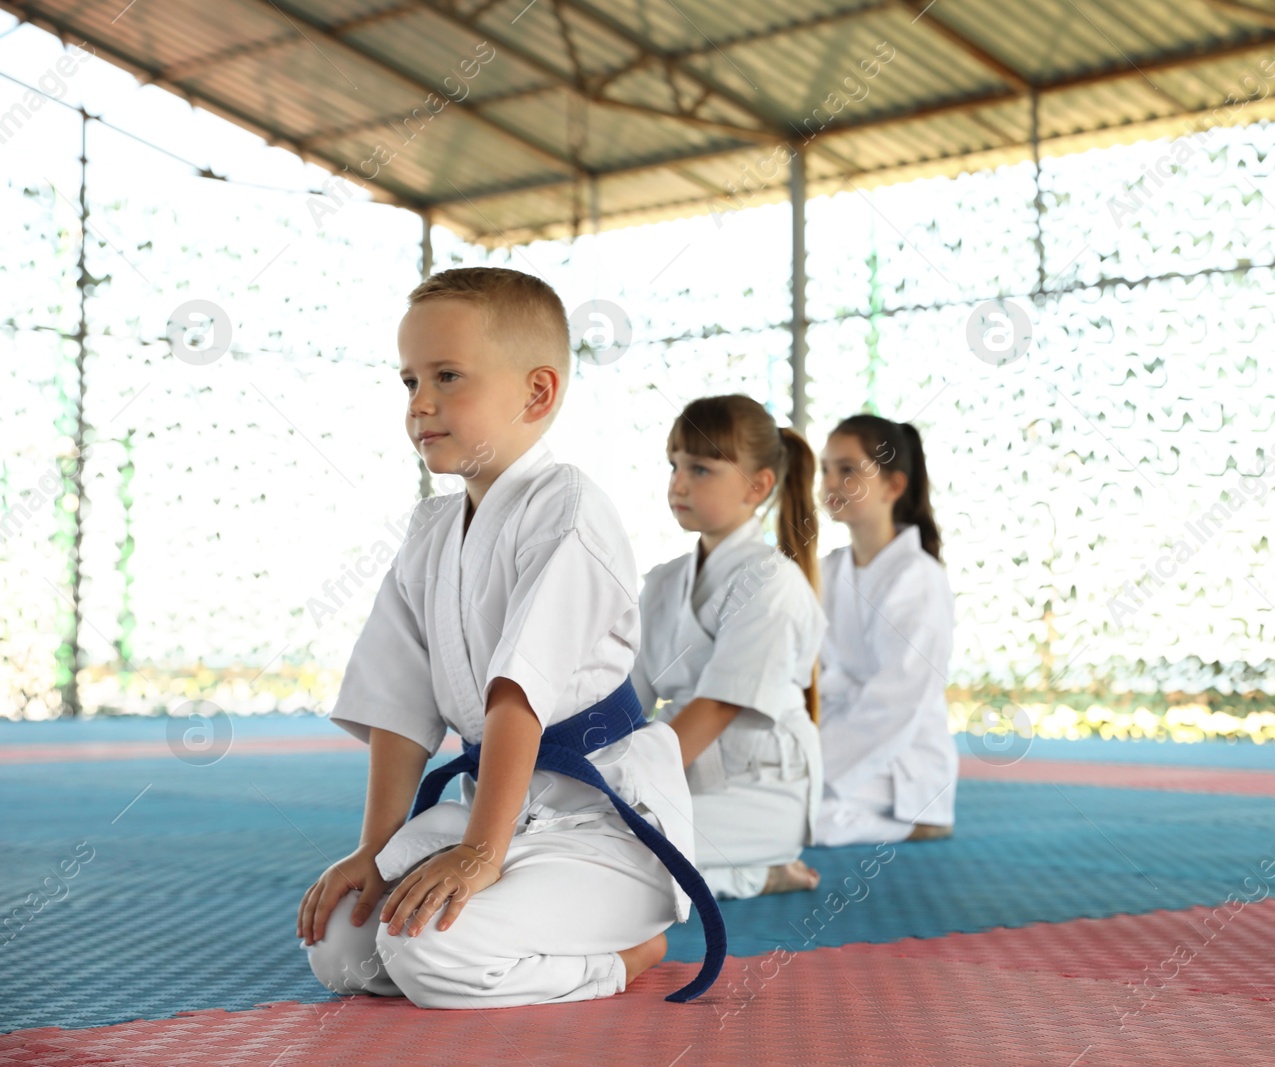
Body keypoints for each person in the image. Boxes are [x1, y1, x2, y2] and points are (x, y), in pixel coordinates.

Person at [297, 267, 721, 1008]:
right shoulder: (430, 532)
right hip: (496, 808)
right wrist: (376, 847)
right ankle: (502, 906)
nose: (420, 403)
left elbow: (516, 692)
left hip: (602, 825)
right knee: (341, 944)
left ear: (537, 392)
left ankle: (627, 953)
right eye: (408, 381)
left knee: (424, 953)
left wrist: (482, 853)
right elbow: (398, 707)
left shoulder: (570, 510)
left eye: (448, 376)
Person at [632, 394, 828, 899]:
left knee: (615, 846)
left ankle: (760, 867)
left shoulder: (772, 584)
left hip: (761, 792)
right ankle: (748, 871)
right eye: (674, 465)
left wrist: (629, 785)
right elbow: (628, 700)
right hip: (684, 777)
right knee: (565, 831)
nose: (677, 483)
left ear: (758, 485)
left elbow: (718, 704)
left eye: (700, 469)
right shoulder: (661, 584)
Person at [811, 415, 958, 847]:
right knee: (750, 794)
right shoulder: (829, 570)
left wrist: (810, 763)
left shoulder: (919, 576)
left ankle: (918, 823)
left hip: (904, 758)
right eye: (825, 469)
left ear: (893, 486)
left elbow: (899, 698)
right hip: (839, 734)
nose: (830, 482)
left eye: (848, 469)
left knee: (793, 815)